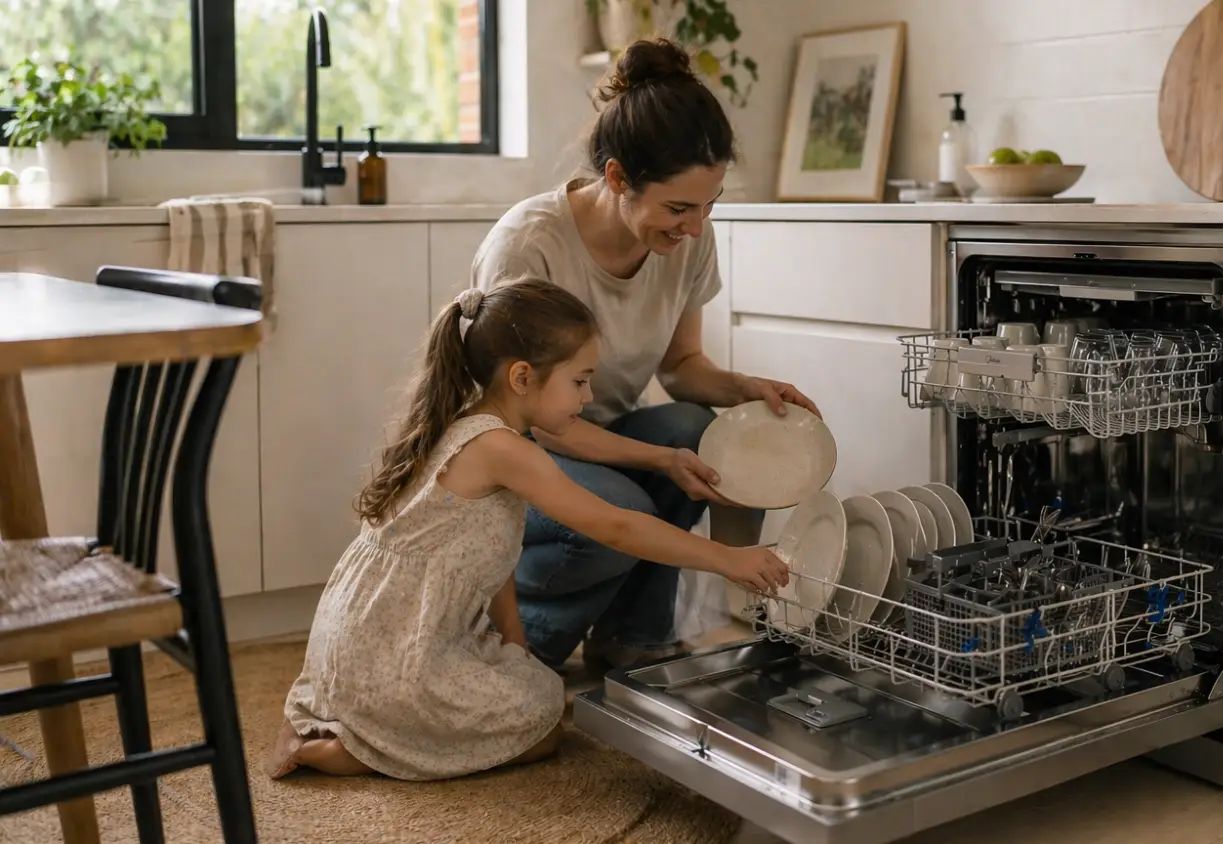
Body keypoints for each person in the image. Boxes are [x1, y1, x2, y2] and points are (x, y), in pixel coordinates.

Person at [267, 280, 789, 780]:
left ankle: (355, 721)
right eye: (580, 381)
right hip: (395, 654)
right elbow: (616, 525)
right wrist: (728, 558)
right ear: (522, 377)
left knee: (535, 686)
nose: (587, 399)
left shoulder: (465, 423)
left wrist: (513, 635)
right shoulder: (502, 449)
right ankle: (338, 750)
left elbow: (485, 554)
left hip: (365, 642)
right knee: (541, 728)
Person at [470, 38, 818, 670]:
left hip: (597, 437)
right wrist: (659, 459)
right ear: (617, 179)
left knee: (701, 433)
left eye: (708, 207)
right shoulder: (529, 247)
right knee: (624, 511)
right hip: (514, 455)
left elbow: (682, 368)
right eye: (678, 208)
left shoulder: (688, 239)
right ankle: (511, 649)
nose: (693, 228)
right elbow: (528, 421)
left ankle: (634, 640)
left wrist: (747, 390)